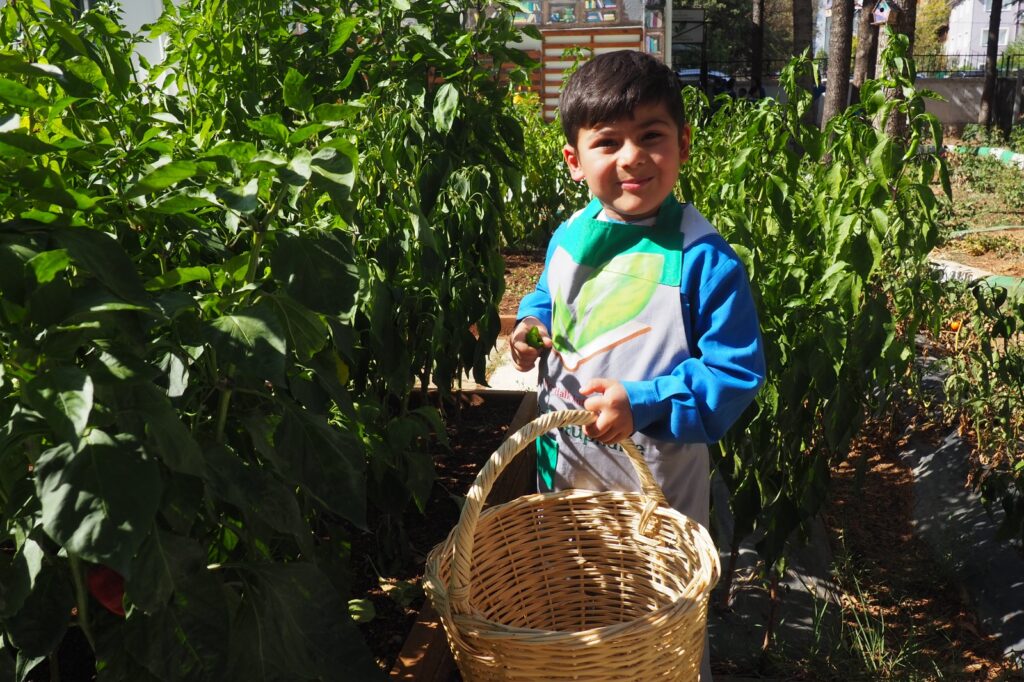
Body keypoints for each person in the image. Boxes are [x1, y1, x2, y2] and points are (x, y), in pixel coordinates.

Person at [509, 49, 766, 681]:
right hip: (565, 466)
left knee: (658, 631)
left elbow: (734, 373)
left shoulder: (703, 258)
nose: (632, 158)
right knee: (573, 609)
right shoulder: (570, 236)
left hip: (657, 482)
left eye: (651, 136)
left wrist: (644, 401)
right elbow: (547, 294)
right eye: (607, 142)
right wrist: (529, 326)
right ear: (575, 161)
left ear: (681, 144)